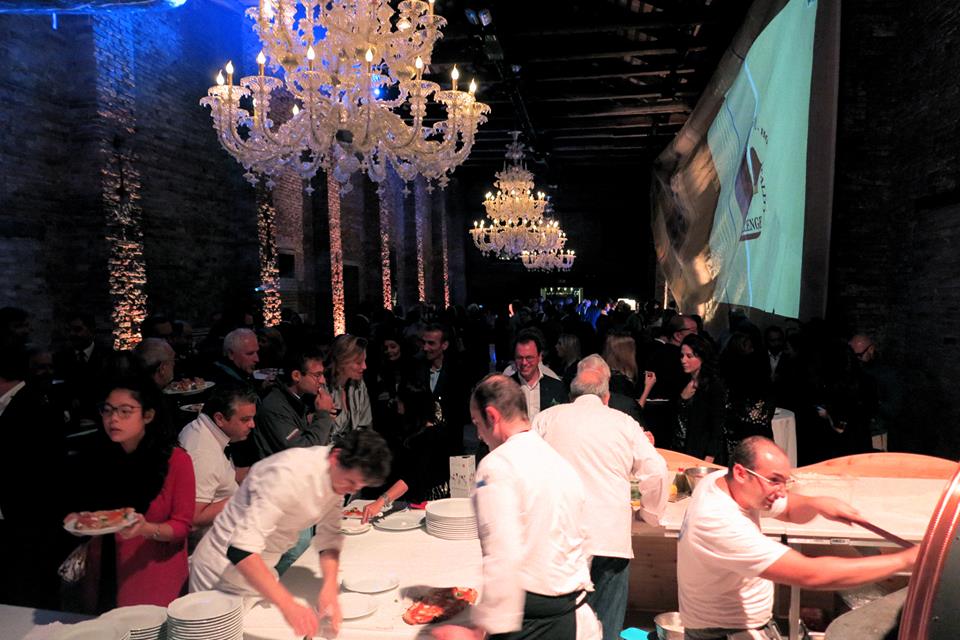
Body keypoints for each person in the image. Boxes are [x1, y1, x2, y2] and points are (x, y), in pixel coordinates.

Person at [678, 436, 918, 639]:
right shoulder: (718, 522)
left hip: (738, 626)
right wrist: (904, 560)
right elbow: (811, 574)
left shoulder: (721, 480)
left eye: (785, 481)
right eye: (774, 480)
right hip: (723, 633)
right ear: (741, 473)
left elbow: (790, 509)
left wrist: (817, 504)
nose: (781, 491)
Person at [433, 374, 601, 640]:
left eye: (477, 423)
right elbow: (586, 537)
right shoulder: (558, 462)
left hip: (534, 622)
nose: (479, 435)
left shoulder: (497, 465)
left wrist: (479, 629)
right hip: (576, 614)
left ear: (492, 416)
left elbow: (502, 551)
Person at [189, 430, 391, 638]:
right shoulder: (287, 474)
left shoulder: (337, 478)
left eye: (359, 486)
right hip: (220, 570)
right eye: (351, 482)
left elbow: (329, 538)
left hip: (260, 571)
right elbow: (240, 550)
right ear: (336, 457)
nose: (352, 491)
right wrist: (288, 605)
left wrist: (330, 588)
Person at [534, 366, 669, 640]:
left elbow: (525, 468)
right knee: (606, 629)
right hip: (609, 536)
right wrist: (650, 514)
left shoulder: (545, 418)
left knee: (563, 628)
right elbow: (656, 471)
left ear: (571, 396)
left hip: (560, 536)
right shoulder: (624, 422)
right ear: (606, 397)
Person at [66, 375, 195, 610]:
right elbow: (89, 510)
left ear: (148, 415)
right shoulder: (96, 457)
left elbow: (182, 526)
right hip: (102, 569)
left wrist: (146, 528)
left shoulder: (175, 461)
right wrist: (80, 520)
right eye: (107, 410)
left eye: (125, 411)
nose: (113, 418)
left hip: (151, 574)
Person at [178, 383, 258, 550]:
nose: (252, 425)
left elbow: (219, 482)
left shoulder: (202, 429)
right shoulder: (203, 452)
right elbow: (194, 517)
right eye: (245, 419)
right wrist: (245, 496)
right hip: (212, 547)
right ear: (220, 418)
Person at [672, 333, 727, 464]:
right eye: (682, 355)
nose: (683, 360)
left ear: (702, 357)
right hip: (679, 447)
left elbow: (717, 425)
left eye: (689, 356)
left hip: (701, 452)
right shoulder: (682, 381)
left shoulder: (713, 386)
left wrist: (709, 456)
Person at [509, 331, 567, 420]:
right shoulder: (506, 388)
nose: (524, 363)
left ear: (540, 357)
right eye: (519, 358)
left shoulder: (556, 387)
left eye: (529, 358)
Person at [326, 334, 373, 442]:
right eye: (358, 362)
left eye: (364, 361)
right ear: (341, 361)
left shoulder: (359, 385)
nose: (364, 366)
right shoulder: (322, 386)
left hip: (352, 448)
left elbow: (365, 426)